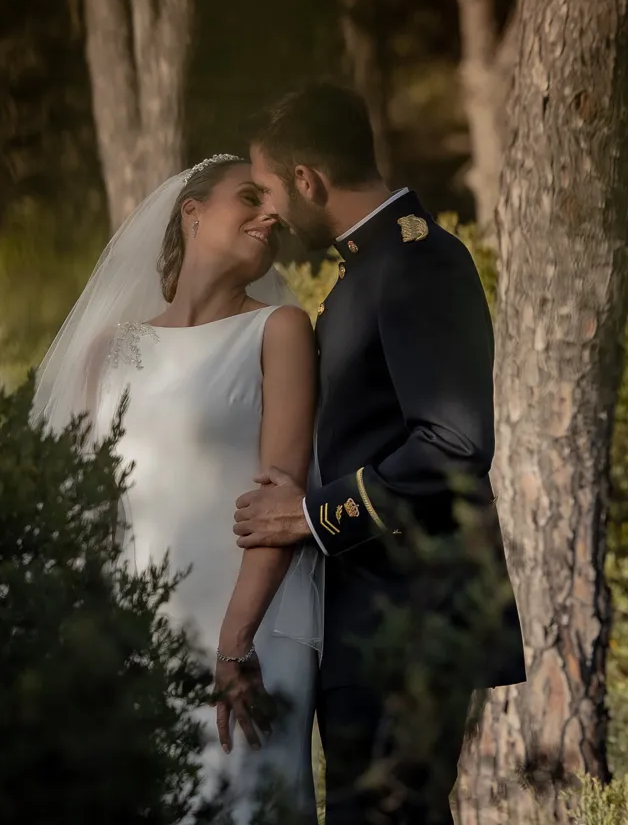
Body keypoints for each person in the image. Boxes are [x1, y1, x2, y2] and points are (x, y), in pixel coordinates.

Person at [231, 84, 525, 825]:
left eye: (267, 187)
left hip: (413, 622)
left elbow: (455, 443)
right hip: (372, 616)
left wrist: (310, 516)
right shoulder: (369, 265)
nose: (266, 211)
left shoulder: (419, 262)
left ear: (307, 180)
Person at [33, 155, 323, 823]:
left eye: (275, 209)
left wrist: (234, 641)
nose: (271, 214)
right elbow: (86, 511)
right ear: (191, 213)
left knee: (247, 803)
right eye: (248, 197)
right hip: (142, 628)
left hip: (251, 628)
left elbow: (280, 498)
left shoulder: (278, 331)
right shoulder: (108, 350)